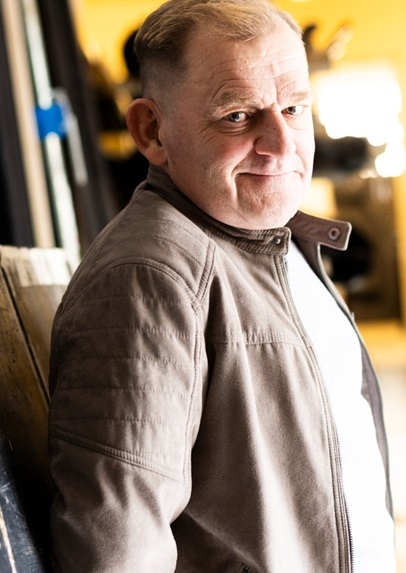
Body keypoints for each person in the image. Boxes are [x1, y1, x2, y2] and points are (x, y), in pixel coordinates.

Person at [48, 0, 397, 571]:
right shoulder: (151, 280)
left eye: (294, 107)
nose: (282, 144)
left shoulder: (271, 240)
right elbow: (119, 553)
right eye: (237, 115)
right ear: (151, 131)